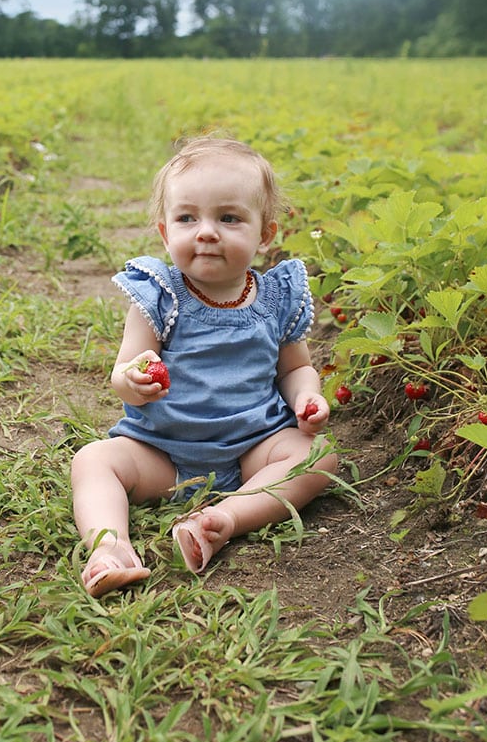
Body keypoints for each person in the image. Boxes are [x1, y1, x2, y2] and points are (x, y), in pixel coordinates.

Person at [71, 137, 338, 597]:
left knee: (318, 455)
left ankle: (224, 518)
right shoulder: (160, 294)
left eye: (229, 218)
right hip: (162, 454)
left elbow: (294, 369)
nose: (207, 231)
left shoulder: (275, 298)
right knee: (94, 460)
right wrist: (134, 380)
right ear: (164, 232)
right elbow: (122, 372)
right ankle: (109, 547)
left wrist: (306, 396)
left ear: (265, 234)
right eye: (187, 218)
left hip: (252, 450)